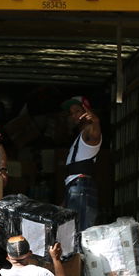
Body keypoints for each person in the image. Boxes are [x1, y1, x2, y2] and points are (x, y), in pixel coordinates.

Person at [60, 96, 102, 233]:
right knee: (73, 232)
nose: (73, 116)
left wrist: (95, 121)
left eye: (77, 111)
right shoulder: (80, 136)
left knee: (81, 233)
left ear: (86, 111)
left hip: (81, 187)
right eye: (71, 113)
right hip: (75, 186)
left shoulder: (90, 131)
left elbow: (95, 135)